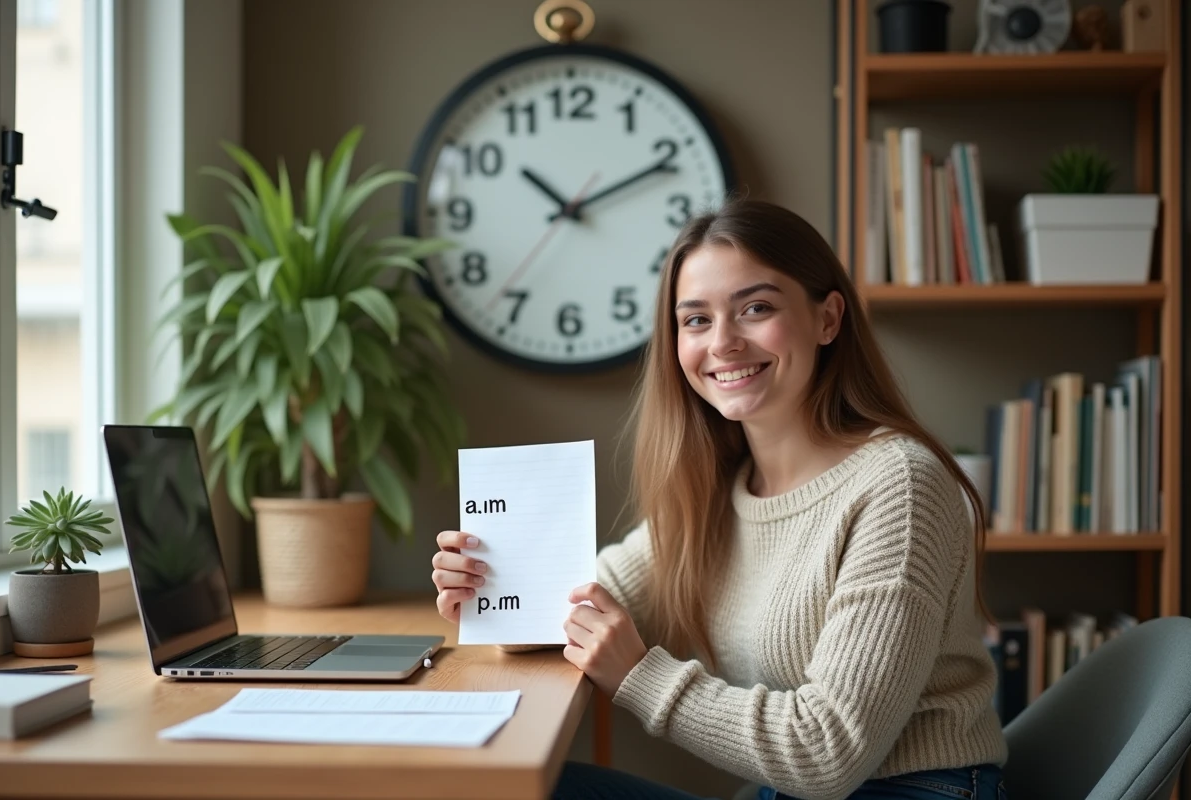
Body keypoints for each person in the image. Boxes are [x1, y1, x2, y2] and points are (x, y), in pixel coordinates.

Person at [431, 199, 1009, 800]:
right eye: (696, 320)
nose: (724, 342)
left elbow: (827, 752)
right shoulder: (724, 487)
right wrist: (495, 588)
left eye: (755, 308)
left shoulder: (900, 486)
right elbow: (583, 598)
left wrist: (637, 674)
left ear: (828, 319)